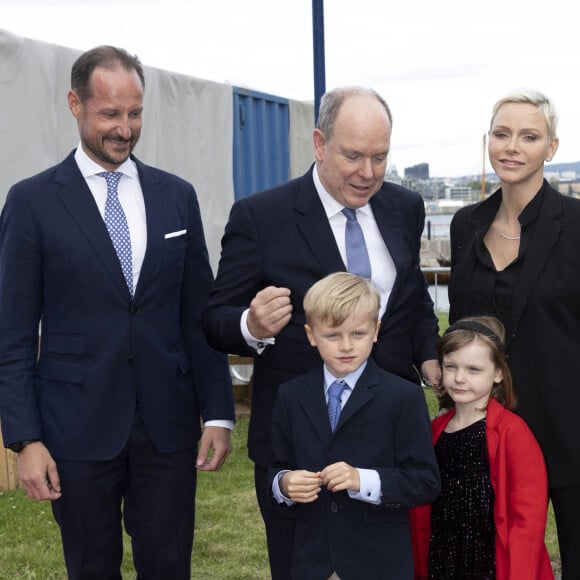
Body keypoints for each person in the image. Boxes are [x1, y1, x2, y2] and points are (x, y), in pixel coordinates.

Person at [0, 46, 235, 579]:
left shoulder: (177, 197)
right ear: (75, 105)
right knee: (91, 569)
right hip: (75, 431)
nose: (124, 129)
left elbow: (197, 313)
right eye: (110, 114)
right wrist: (26, 439)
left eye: (135, 114)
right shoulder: (32, 202)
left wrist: (218, 412)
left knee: (170, 566)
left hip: (168, 428)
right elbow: (11, 334)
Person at [203, 86, 440, 578]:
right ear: (319, 143)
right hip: (299, 447)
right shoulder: (260, 216)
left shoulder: (405, 207)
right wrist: (250, 324)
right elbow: (214, 318)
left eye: (380, 157)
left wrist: (429, 354)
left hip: (386, 443)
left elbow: (413, 301)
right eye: (353, 155)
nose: (368, 173)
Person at [448, 88, 580, 579]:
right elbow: (460, 325)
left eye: (529, 136)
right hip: (486, 428)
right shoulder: (466, 225)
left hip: (569, 428)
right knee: (487, 563)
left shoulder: (577, 225)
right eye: (501, 134)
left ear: (552, 147)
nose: (512, 146)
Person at [268, 272, 440, 580]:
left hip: (379, 562)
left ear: (376, 330)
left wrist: (362, 480)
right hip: (312, 559)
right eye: (332, 336)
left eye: (358, 334)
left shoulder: (403, 396)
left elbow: (425, 481)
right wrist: (283, 484)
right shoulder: (290, 395)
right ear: (310, 334)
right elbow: (277, 465)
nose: (346, 346)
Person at [411, 316, 553, 579]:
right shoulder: (434, 432)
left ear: (498, 372)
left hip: (492, 561)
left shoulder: (513, 432)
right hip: (443, 556)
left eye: (473, 369)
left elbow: (528, 518)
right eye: (451, 366)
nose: (460, 378)